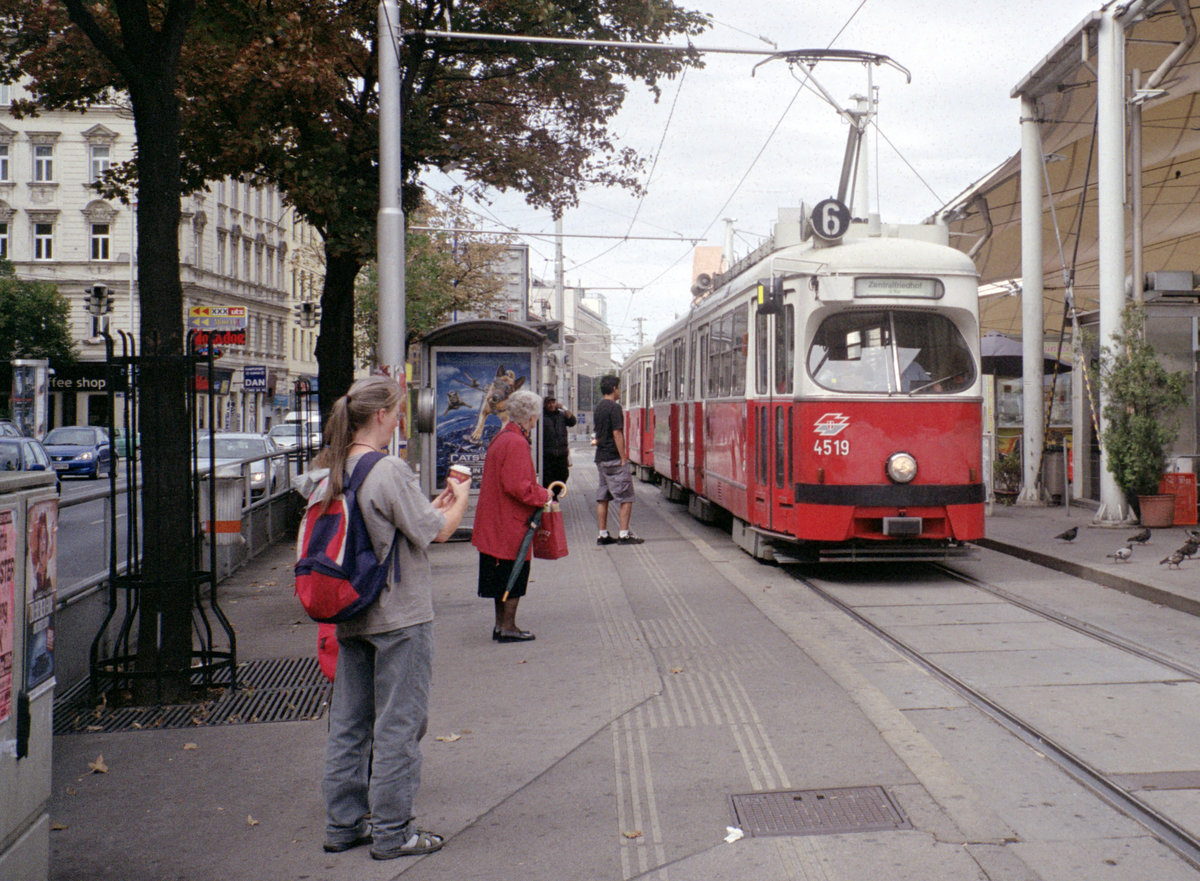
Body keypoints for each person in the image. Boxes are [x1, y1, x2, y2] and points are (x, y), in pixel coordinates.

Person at [301, 375, 470, 861]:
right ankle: (395, 832)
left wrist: (426, 509)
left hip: (349, 611)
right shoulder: (388, 468)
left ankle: (342, 824)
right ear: (380, 416)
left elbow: (394, 524)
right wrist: (457, 497)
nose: (399, 419)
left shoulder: (330, 467)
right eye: (396, 412)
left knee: (349, 725)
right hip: (400, 614)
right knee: (398, 726)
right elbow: (436, 534)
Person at [472, 389, 565, 642]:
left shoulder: (503, 437)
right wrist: (543, 495)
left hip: (495, 519)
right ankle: (509, 626)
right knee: (513, 574)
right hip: (508, 522)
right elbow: (518, 486)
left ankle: (501, 625)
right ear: (532, 417)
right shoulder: (516, 442)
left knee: (499, 576)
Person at [593, 374, 643, 545]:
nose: (620, 391)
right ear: (614, 388)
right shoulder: (614, 408)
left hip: (601, 458)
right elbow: (617, 433)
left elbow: (598, 434)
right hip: (613, 458)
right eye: (619, 388)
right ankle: (623, 534)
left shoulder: (598, 407)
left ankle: (603, 534)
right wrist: (623, 457)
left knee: (603, 496)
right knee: (626, 496)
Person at [541, 394, 576, 488]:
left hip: (561, 453)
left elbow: (572, 421)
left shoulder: (561, 415)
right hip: (548, 454)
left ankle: (555, 494)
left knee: (563, 475)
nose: (551, 405)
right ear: (545, 404)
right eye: (549, 403)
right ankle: (550, 497)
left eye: (553, 402)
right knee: (548, 478)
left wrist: (564, 408)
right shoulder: (542, 417)